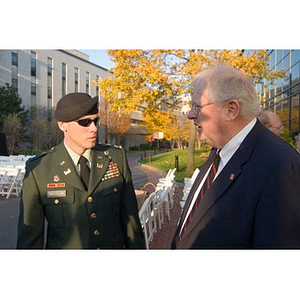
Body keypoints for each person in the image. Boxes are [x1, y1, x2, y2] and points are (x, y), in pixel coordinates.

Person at [171, 65, 300, 249]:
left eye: (197, 107)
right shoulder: (219, 149)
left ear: (231, 110)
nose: (190, 115)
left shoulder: (281, 166)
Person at [17, 92, 145, 249]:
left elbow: (131, 221)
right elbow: (30, 238)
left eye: (95, 121)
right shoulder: (40, 169)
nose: (94, 128)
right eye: (85, 122)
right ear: (62, 125)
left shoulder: (115, 158)